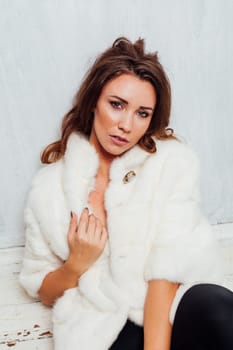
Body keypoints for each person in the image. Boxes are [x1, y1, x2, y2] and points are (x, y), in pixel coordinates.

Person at [19, 37, 233, 350]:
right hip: (103, 323)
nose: (126, 125)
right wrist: (77, 263)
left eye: (142, 113)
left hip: (172, 306)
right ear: (94, 100)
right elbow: (43, 288)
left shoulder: (170, 162)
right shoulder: (49, 189)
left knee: (217, 309)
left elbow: (168, 266)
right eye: (116, 105)